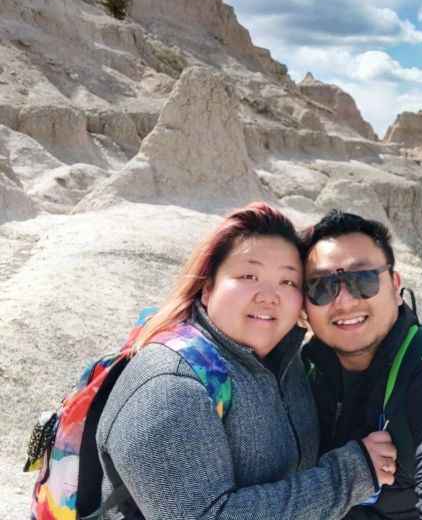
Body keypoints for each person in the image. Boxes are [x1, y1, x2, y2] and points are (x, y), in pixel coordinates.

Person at [96, 202, 396, 519]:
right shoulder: (170, 385)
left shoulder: (286, 362)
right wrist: (351, 474)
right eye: (249, 275)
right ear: (208, 288)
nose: (268, 295)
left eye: (287, 281)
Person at [301, 210, 422, 519]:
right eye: (322, 286)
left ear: (395, 286)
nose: (345, 301)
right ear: (304, 304)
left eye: (362, 279)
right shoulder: (304, 372)